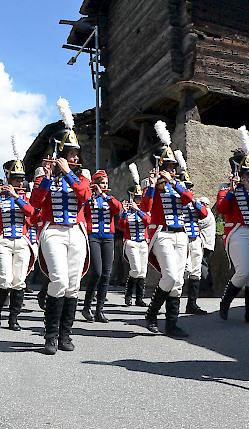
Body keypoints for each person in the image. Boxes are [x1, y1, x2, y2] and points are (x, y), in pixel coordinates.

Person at [30, 97, 91, 355]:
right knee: (58, 280)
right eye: (71, 153)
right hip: (53, 231)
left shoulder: (82, 176)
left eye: (76, 154)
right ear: (60, 153)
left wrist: (67, 173)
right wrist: (47, 176)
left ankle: (66, 334)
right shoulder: (43, 176)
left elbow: (85, 196)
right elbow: (35, 204)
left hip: (76, 231)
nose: (75, 157)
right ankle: (50, 336)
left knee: (73, 284)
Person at [140, 120, 206, 338]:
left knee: (178, 281)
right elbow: (145, 208)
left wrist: (175, 183)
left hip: (182, 236)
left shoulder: (179, 186)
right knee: (169, 276)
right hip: (163, 235)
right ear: (159, 167)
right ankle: (151, 314)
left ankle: (171, 324)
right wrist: (151, 186)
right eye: (167, 166)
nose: (171, 170)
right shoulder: (153, 187)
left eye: (172, 167)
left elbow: (191, 201)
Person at [217, 126, 249, 325]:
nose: (248, 177)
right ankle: (225, 301)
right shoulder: (225, 188)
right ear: (237, 172)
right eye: (245, 173)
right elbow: (222, 208)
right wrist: (232, 189)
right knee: (244, 271)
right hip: (237, 232)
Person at [0, 152, 35, 330]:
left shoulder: (25, 197)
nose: (19, 183)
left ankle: (13, 319)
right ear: (8, 179)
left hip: (22, 242)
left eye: (21, 179)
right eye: (15, 179)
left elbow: (32, 214)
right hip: (3, 241)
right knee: (5, 279)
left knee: (19, 281)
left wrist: (16, 197)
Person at [81, 170, 122, 323]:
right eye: (102, 183)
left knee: (106, 274)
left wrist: (104, 195)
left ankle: (99, 310)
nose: (104, 185)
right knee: (97, 272)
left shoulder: (109, 199)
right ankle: (86, 306)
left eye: (106, 183)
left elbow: (118, 209)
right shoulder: (88, 199)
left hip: (108, 237)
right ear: (95, 184)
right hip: (93, 237)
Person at [175, 151, 209, 315]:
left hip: (195, 239)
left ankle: (192, 304)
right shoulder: (176, 202)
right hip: (182, 237)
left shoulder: (194, 202)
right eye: (186, 187)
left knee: (196, 271)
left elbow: (203, 213)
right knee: (180, 272)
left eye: (190, 187)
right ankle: (172, 305)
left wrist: (193, 201)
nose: (189, 190)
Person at [118, 165, 150, 307]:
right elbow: (121, 226)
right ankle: (128, 294)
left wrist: (139, 211)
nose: (138, 200)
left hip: (143, 242)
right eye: (136, 197)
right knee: (135, 269)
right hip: (131, 242)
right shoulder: (126, 210)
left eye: (140, 197)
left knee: (142, 271)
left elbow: (148, 222)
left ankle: (139, 298)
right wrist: (124, 212)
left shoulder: (144, 209)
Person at [197, 196, 216, 293]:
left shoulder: (207, 214)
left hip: (205, 244)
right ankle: (208, 287)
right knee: (205, 265)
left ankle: (204, 289)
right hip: (208, 244)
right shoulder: (210, 214)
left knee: (203, 265)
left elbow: (198, 223)